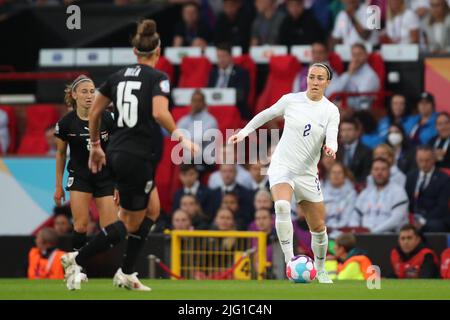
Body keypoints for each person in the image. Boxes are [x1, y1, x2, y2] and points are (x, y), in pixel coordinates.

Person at [61, 19, 198, 291]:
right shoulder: (159, 78)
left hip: (121, 152)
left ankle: (127, 271)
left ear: (134, 52)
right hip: (138, 155)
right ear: (158, 52)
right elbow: (159, 112)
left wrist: (96, 145)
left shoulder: (117, 76)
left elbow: (96, 112)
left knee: (154, 210)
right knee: (130, 221)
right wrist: (180, 135)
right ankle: (77, 257)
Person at [229, 62, 341, 283]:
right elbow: (266, 114)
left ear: (327, 83)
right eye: (312, 77)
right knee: (281, 206)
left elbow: (332, 135)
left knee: (318, 228)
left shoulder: (330, 110)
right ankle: (291, 263)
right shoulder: (291, 100)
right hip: (282, 165)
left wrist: (331, 148)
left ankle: (320, 269)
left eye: (320, 78)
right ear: (306, 78)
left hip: (307, 173)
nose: (315, 82)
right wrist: (244, 132)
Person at [54, 75, 117, 252]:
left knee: (110, 230)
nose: (89, 95)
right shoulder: (66, 123)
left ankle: (87, 259)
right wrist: (58, 186)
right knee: (80, 226)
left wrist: (118, 182)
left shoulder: (107, 118)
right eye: (84, 92)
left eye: (92, 91)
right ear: (74, 95)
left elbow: (117, 151)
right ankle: (76, 267)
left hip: (106, 177)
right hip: (80, 177)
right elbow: (60, 154)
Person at [350, 158, 409, 233]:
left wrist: (372, 232)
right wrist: (357, 230)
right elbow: (355, 216)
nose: (379, 172)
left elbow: (396, 220)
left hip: (388, 237)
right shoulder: (365, 193)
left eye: (383, 169)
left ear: (389, 172)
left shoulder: (398, 192)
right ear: (371, 172)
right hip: (364, 237)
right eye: (376, 169)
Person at [405, 145, 450, 232]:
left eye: (427, 160)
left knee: (433, 226)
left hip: (435, 218)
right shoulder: (411, 176)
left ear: (434, 159)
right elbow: (407, 201)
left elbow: (442, 207)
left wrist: (423, 221)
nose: (424, 164)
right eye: (420, 160)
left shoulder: (444, 178)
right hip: (414, 217)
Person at [326, 43, 380, 110]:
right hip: (345, 109)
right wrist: (349, 74)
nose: (356, 58)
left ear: (366, 56)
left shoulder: (371, 76)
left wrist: (342, 102)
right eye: (354, 55)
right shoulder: (349, 73)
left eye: (359, 54)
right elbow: (330, 93)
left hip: (364, 112)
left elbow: (361, 100)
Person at [176, 90, 218, 171]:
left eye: (199, 101)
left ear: (204, 103)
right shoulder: (185, 119)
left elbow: (200, 139)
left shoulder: (210, 120)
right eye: (194, 101)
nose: (196, 104)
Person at [207, 43, 251, 120]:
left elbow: (241, 96)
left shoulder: (241, 72)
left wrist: (224, 97)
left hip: (233, 109)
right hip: (213, 109)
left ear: (231, 57)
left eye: (224, 56)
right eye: (219, 57)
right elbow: (208, 92)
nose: (221, 60)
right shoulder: (213, 72)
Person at [322, 162, 356, 238]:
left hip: (344, 233)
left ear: (344, 175)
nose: (336, 175)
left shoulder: (351, 193)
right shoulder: (321, 192)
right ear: (329, 175)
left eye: (339, 173)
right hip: (324, 232)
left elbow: (348, 217)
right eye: (333, 172)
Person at [336, 117, 372, 184]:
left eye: (349, 129)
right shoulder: (336, 150)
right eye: (343, 130)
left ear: (357, 132)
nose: (346, 133)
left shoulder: (367, 151)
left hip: (358, 187)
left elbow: (367, 174)